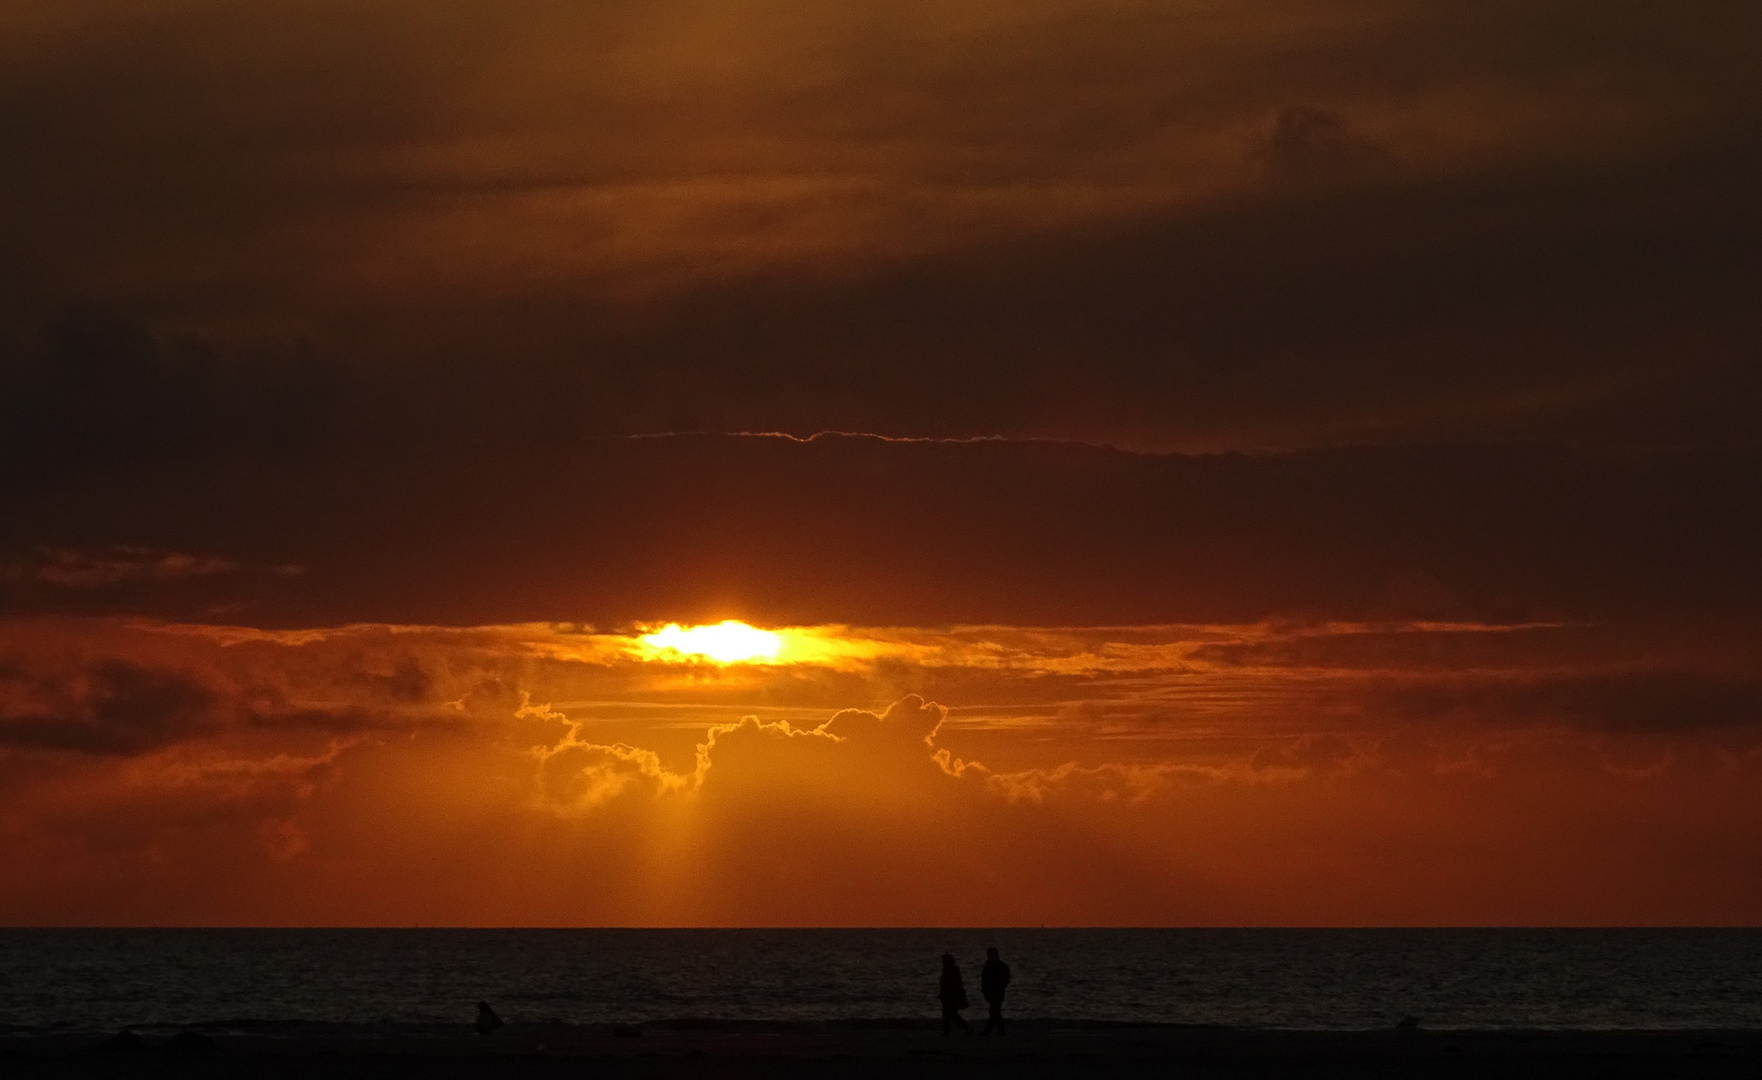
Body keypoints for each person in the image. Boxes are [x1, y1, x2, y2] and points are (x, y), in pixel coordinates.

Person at [979, 946, 1011, 1035]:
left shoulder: (997, 966)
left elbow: (1006, 979)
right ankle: (998, 1031)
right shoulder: (991, 966)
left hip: (997, 992)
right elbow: (984, 980)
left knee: (994, 1011)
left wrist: (1000, 986)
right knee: (995, 1011)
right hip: (994, 992)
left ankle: (990, 1031)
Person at [938, 953, 971, 1035]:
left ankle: (966, 1028)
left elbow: (953, 985)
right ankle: (948, 1032)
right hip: (947, 996)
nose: (943, 963)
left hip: (951, 996)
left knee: (950, 1014)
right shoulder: (949, 970)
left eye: (944, 961)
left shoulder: (951, 971)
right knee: (949, 1014)